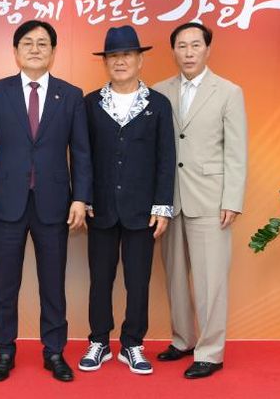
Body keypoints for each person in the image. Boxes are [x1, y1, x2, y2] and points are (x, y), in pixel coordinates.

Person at [0, 19, 92, 382]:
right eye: (27, 43)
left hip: (54, 204)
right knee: (5, 284)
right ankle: (4, 350)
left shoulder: (70, 95)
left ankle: (54, 351)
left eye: (42, 43)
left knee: (53, 284)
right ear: (15, 51)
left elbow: (81, 152)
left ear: (53, 52)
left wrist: (81, 198)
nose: (35, 49)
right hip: (6, 202)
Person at [78, 25, 175, 375]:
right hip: (100, 208)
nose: (120, 62)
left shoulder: (158, 104)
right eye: (114, 56)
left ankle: (132, 343)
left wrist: (162, 206)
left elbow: (166, 158)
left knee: (138, 281)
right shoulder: (90, 104)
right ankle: (99, 341)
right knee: (100, 279)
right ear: (105, 62)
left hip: (142, 211)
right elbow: (82, 156)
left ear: (140, 60)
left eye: (127, 55)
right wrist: (83, 198)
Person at [153, 22, 247, 379]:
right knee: (175, 277)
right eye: (182, 46)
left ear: (208, 49)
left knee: (211, 281)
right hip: (169, 199)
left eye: (195, 45)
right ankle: (183, 339)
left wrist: (232, 199)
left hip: (210, 199)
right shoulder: (159, 92)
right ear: (173, 51)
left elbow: (236, 151)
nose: (188, 52)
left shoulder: (228, 92)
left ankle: (210, 352)